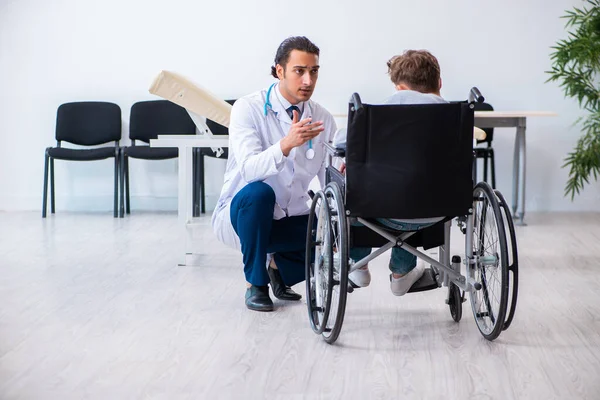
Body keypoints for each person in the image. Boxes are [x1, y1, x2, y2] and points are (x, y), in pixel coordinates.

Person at [211, 36, 337, 312]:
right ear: (279, 71)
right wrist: (286, 145)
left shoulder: (323, 118)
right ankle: (255, 284)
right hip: (245, 214)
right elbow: (249, 169)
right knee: (259, 193)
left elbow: (329, 180)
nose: (308, 81)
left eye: (314, 71)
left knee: (339, 231)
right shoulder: (248, 108)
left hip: (291, 216)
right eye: (299, 71)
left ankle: (277, 268)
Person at [345, 49, 448, 296]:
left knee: (358, 185)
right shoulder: (454, 116)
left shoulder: (377, 112)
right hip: (441, 209)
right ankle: (402, 273)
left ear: (399, 88)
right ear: (440, 83)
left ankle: (357, 265)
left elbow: (344, 141)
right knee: (416, 188)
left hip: (384, 209)